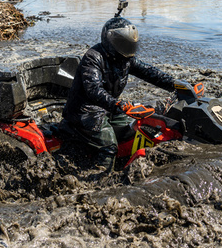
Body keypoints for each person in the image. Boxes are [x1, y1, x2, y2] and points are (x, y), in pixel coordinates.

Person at [62, 12, 176, 168]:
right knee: (109, 146)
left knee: (136, 129)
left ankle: (123, 164)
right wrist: (118, 105)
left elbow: (149, 72)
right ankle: (99, 181)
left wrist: (176, 84)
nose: (128, 49)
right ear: (111, 42)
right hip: (85, 112)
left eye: (130, 44)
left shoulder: (125, 59)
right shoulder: (93, 58)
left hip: (109, 109)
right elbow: (94, 90)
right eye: (124, 44)